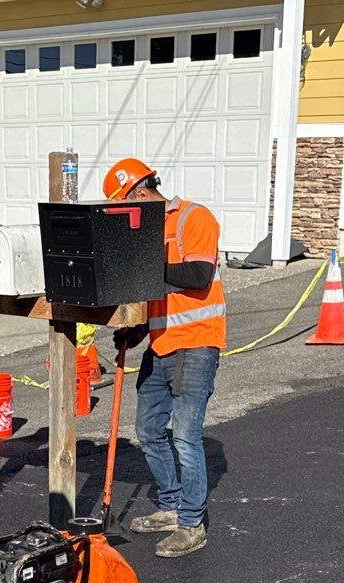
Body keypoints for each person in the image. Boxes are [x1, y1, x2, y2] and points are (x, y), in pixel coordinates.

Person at [107, 158, 224, 559]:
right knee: (149, 430)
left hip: (197, 343)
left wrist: (144, 262)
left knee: (186, 435)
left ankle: (192, 524)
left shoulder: (195, 217)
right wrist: (136, 331)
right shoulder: (149, 235)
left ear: (141, 193)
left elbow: (198, 277)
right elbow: (162, 299)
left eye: (127, 206)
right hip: (162, 345)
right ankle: (172, 506)